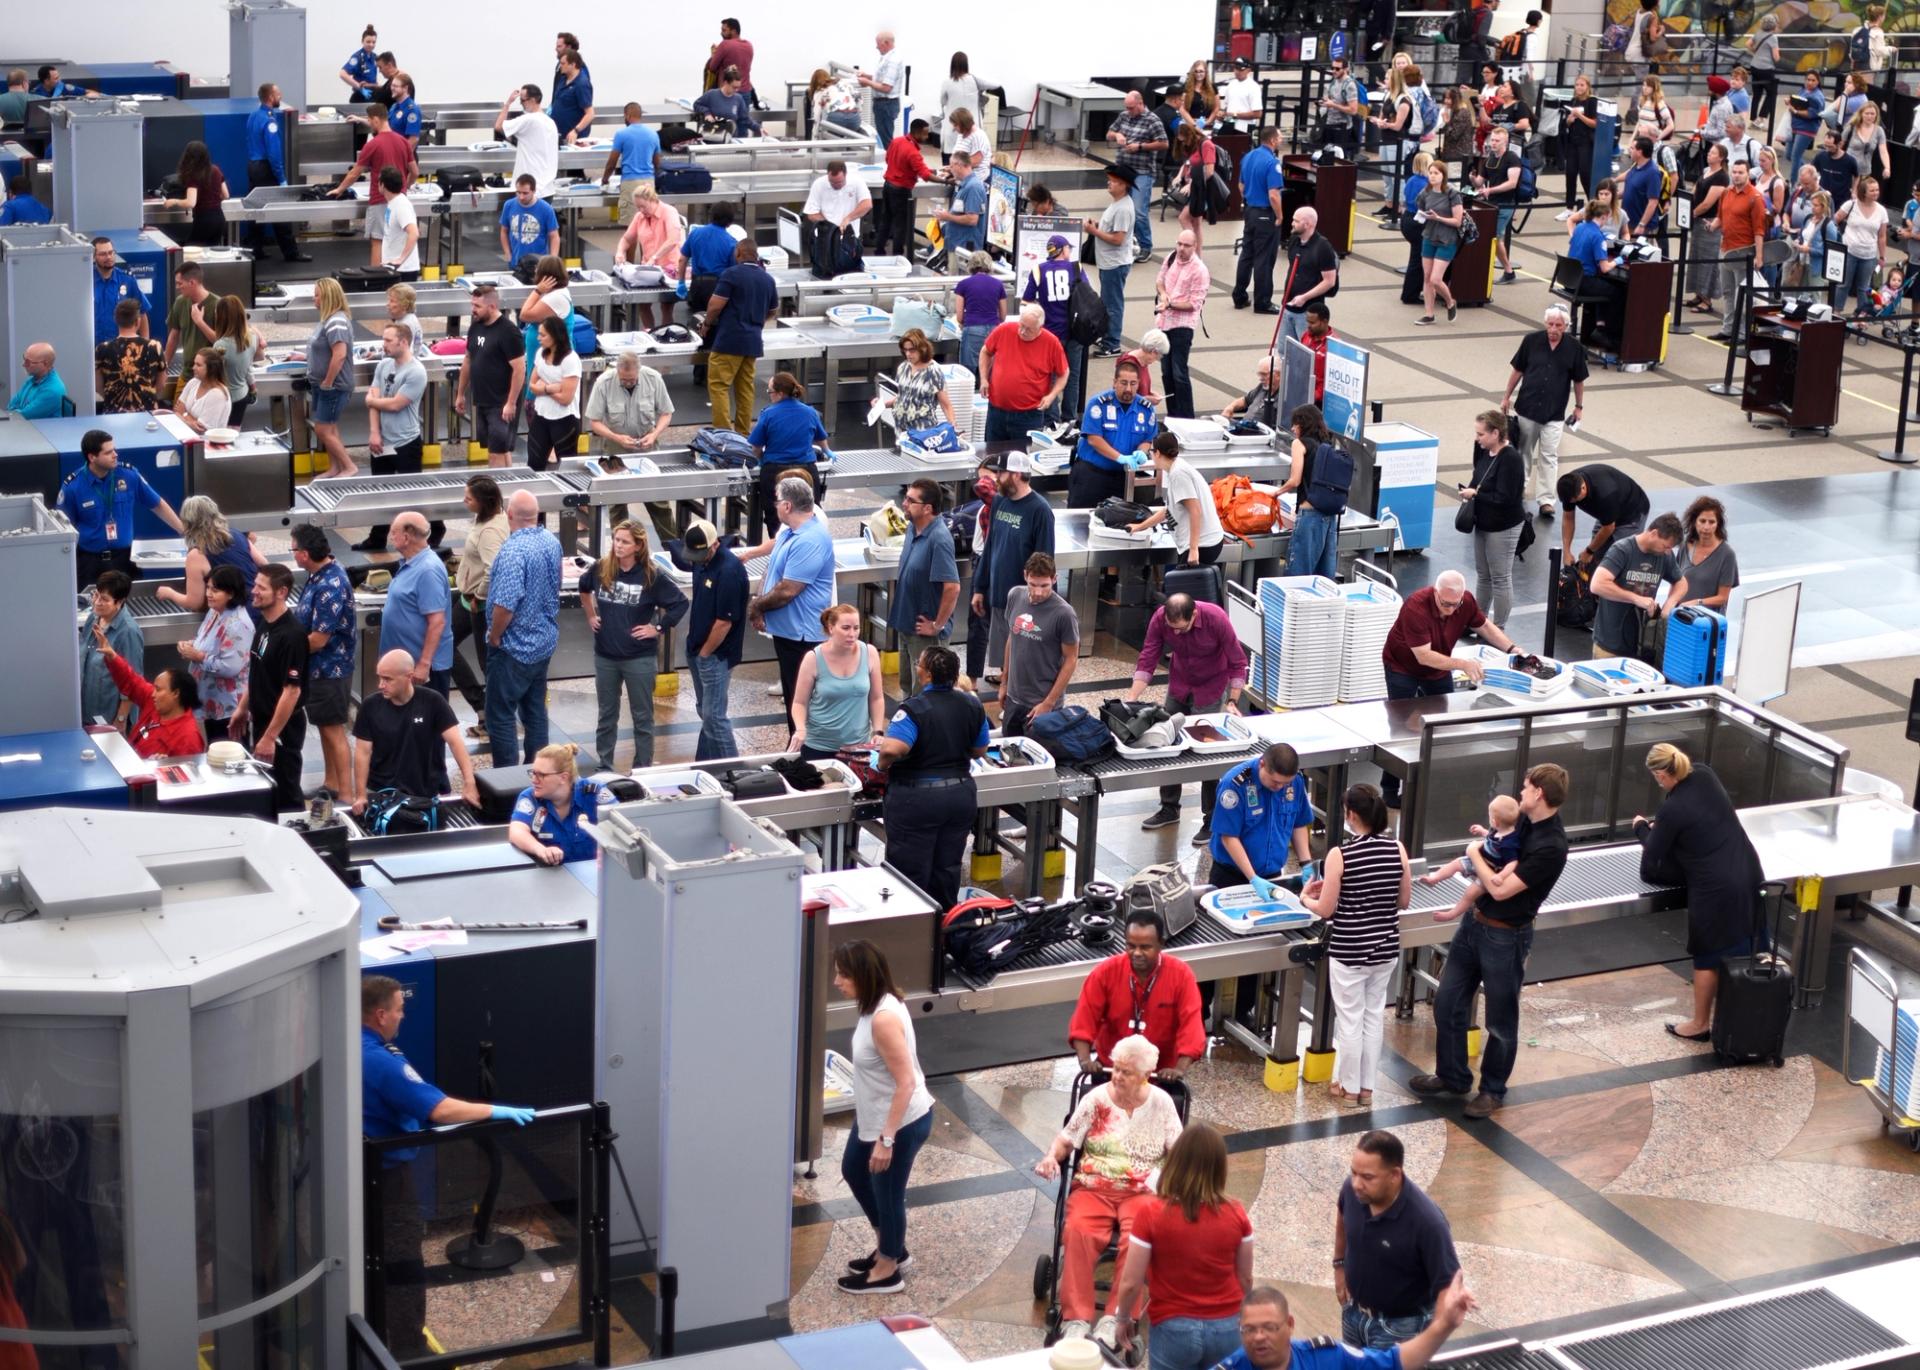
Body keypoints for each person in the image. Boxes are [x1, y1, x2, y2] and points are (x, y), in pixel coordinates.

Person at [361, 974, 536, 1358]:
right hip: (386, 1180)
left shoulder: (349, 1045)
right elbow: (439, 1110)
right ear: (380, 1015)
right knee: (402, 1262)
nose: (402, 1017)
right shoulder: (378, 1060)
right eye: (399, 1009)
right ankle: (409, 1351)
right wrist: (497, 1111)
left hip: (356, 1176)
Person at [1409, 763, 1570, 1119]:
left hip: (1506, 935)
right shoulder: (1523, 820)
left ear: (1539, 793)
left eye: (1526, 787)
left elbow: (1501, 889)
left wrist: (1472, 854)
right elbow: (1496, 843)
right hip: (1474, 924)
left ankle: (1493, 1089)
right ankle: (1452, 1076)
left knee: (1500, 1020)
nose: (1521, 793)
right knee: (1447, 1001)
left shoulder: (1551, 845)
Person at [1035, 1034, 1185, 1346]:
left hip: (1142, 1191)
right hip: (1094, 1186)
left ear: (1145, 1075)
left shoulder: (1162, 1104)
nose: (1116, 1076)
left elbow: (1181, 1153)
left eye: (1126, 1072)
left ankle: (1116, 1318)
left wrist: (1171, 1180)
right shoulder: (1096, 1099)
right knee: (1077, 1230)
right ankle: (1076, 1319)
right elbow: (1066, 1139)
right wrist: (1051, 1157)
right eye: (1115, 1068)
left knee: (1138, 1241)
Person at [1635, 744, 1767, 1041]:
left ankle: (1699, 1024)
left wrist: (1642, 828)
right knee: (1750, 941)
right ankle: (1744, 1019)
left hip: (1714, 888)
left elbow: (1653, 854)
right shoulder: (1705, 774)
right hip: (1747, 871)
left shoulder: (1673, 808)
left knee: (1708, 954)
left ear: (1660, 773)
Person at [831, 937, 934, 1297]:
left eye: (843, 975)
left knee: (887, 1192)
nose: (837, 982)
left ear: (863, 975)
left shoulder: (884, 1018)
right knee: (853, 1170)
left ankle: (888, 1267)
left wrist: (886, 1139)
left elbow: (906, 1082)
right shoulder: (875, 1004)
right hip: (875, 1114)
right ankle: (889, 1242)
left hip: (899, 1122)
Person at [1107, 1121, 1252, 1368]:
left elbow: (1131, 1282)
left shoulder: (1150, 1213)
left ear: (1176, 1162)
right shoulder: (1237, 1213)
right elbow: (1245, 1278)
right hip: (1226, 1326)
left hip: (1173, 1326)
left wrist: (1122, 1319)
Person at [1301, 789, 1411, 1106]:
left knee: (1350, 1020)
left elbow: (1325, 909)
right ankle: (1366, 1089)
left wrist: (1306, 897)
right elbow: (1403, 900)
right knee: (1373, 1017)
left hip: (1350, 950)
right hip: (1386, 947)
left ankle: (1348, 1088)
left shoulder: (1341, 855)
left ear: (1350, 814)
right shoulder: (1397, 849)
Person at [1377, 572, 1516, 807]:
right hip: (1402, 666)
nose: (1451, 609)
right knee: (1401, 727)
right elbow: (1423, 656)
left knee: (1443, 722)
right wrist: (1462, 664)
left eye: (1456, 604)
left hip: (1438, 668)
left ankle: (1435, 780)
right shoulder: (1416, 607)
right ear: (1435, 593)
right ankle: (1390, 788)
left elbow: (1483, 626)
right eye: (1445, 604)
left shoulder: (1466, 602)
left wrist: (1512, 648)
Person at [875, 644, 988, 910]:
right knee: (947, 870)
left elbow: (894, 748)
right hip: (960, 797)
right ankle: (943, 935)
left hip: (918, 802)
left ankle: (913, 936)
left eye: (918, 666)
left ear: (925, 674)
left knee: (909, 875)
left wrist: (881, 762)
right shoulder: (972, 704)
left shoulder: (914, 709)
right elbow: (979, 749)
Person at [1131, 595, 1248, 839]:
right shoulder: (1161, 618)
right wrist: (1131, 698)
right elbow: (1149, 656)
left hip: (1211, 688)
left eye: (1181, 628)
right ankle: (1169, 808)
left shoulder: (1216, 619)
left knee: (1207, 754)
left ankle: (1212, 819)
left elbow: (1238, 662)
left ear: (1193, 615)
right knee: (1168, 744)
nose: (1178, 633)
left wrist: (1233, 701)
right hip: (1180, 684)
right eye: (1173, 629)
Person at [1332, 1130, 1462, 1350]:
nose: (1356, 1183)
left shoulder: (1428, 1223)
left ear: (1395, 1175)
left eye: (1367, 1177)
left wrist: (1432, 1338)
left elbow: (1448, 1285)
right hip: (1354, 1313)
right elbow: (1343, 1218)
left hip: (1400, 1329)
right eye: (1354, 1173)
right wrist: (1339, 1266)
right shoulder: (1353, 1190)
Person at [581, 521, 687, 768]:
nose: (618, 545)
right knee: (606, 716)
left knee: (642, 717)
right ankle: (605, 766)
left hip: (639, 658)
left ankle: (642, 768)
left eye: (625, 541)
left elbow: (680, 603)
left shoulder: (651, 576)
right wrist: (590, 614)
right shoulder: (601, 568)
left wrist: (657, 628)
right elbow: (584, 588)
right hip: (605, 656)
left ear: (638, 546)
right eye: (616, 539)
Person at [1069, 904, 1205, 1080]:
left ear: (1160, 945)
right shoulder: (1105, 972)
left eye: (1145, 947)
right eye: (1131, 946)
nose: (1137, 953)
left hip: (1160, 1074)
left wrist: (1179, 1069)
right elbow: (1084, 1020)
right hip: (1111, 1069)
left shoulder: (1181, 975)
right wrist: (1085, 1060)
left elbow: (1192, 1026)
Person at [749, 474, 838, 732]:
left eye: (777, 501)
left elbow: (787, 590)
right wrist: (759, 601)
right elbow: (772, 570)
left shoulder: (810, 539)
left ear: (787, 506)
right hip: (787, 632)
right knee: (792, 699)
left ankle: (809, 756)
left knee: (804, 703)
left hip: (803, 637)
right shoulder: (790, 531)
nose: (775, 505)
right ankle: (797, 751)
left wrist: (756, 606)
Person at [486, 491, 564, 767]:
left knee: (501, 715)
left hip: (513, 648)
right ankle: (539, 771)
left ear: (509, 515)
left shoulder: (512, 551)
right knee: (535, 712)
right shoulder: (551, 542)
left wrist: (494, 635)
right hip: (543, 643)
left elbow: (505, 605)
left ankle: (506, 782)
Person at [351, 649, 480, 814]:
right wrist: (361, 795)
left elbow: (455, 743)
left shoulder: (433, 701)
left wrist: (469, 782)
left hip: (425, 792)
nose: (380, 685)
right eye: (380, 677)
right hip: (382, 793)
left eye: (387, 679)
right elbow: (362, 752)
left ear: (409, 677)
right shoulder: (370, 706)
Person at [57, 429, 185, 588]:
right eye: (108, 452)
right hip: (90, 563)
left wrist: (184, 531)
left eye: (114, 450)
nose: (115, 455)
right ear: (92, 457)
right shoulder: (73, 487)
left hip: (124, 560)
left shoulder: (128, 475)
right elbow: (63, 529)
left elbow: (157, 504)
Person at [973, 453, 1055, 687]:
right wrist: (980, 587)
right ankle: (1007, 687)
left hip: (1025, 601)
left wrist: (1039, 600)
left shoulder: (1040, 510)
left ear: (1017, 474)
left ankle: (1016, 701)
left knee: (1024, 658)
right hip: (999, 596)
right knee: (1004, 655)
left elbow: (1045, 561)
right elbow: (990, 547)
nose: (996, 478)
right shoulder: (1000, 501)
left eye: (1001, 473)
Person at [287, 524, 356, 794]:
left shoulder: (331, 583)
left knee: (333, 729)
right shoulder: (318, 574)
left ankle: (347, 793)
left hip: (330, 669)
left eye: (293, 549)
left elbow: (318, 639)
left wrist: (287, 651)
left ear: (304, 554)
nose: (292, 555)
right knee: (325, 727)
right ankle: (331, 783)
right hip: (318, 669)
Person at [1501, 306, 1587, 520]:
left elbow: (1579, 379)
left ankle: (1546, 501)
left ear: (1566, 326)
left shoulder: (1574, 348)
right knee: (1523, 452)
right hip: (1527, 408)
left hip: (1554, 413)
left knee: (1549, 456)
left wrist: (1579, 406)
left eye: (1558, 325)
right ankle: (1518, 490)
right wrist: (1506, 396)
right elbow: (1518, 370)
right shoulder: (1531, 341)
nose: (1553, 329)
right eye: (1550, 324)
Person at [235, 564, 309, 810]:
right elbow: (257, 671)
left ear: (281, 592)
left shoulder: (292, 635)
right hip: (263, 719)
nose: (254, 591)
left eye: (261, 587)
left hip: (282, 728)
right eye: (255, 585)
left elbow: (292, 690)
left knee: (286, 791)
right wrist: (242, 708)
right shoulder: (265, 623)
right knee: (267, 786)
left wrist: (270, 737)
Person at [887, 479, 961, 697]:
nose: (904, 503)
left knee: (925, 693)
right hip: (906, 624)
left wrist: (937, 625)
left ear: (927, 508)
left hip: (925, 633)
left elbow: (952, 587)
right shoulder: (913, 528)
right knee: (907, 686)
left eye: (911, 500)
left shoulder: (939, 539)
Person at [684, 518, 750, 760]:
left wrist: (705, 654)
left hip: (716, 654)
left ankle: (736, 772)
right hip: (697, 647)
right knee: (706, 711)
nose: (694, 559)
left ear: (714, 545)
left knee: (715, 716)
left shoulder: (729, 570)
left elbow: (724, 622)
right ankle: (705, 763)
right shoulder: (700, 561)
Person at [92, 618, 203, 759]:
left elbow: (186, 777)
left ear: (176, 693)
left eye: (158, 689)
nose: (153, 693)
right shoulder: (154, 703)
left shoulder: (188, 737)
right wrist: (112, 656)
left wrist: (160, 769)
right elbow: (132, 681)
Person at [703, 238, 780, 435]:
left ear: (738, 253)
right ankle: (744, 434)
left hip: (729, 340)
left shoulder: (731, 274)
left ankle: (723, 435)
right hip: (752, 342)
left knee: (719, 386)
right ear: (756, 256)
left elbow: (715, 305)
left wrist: (707, 324)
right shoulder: (767, 279)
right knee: (745, 389)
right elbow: (772, 310)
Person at [323, 104, 417, 266]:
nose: (369, 123)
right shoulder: (403, 142)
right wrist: (405, 188)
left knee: (377, 241)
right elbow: (415, 171)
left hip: (379, 199)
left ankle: (377, 279)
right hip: (400, 199)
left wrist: (339, 189)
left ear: (376, 119)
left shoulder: (373, 144)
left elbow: (355, 173)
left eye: (369, 120)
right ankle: (393, 276)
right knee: (396, 239)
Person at [999, 552, 1079, 736]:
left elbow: (1071, 659)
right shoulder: (1014, 596)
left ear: (1055, 579)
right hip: (1014, 698)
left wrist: (1049, 703)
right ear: (1025, 575)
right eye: (1033, 584)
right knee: (1008, 753)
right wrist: (1004, 683)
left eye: (1045, 586)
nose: (1038, 592)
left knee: (1038, 759)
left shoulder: (1064, 614)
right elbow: (1012, 639)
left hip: (1042, 703)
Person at [1460, 410, 1527, 629]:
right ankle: (1478, 621)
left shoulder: (1511, 459)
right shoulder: (1483, 452)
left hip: (1503, 525)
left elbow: (1505, 498)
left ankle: (1498, 627)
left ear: (1495, 433)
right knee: (1484, 575)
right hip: (1484, 521)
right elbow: (1477, 477)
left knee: (1500, 577)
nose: (1477, 438)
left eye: (1481, 434)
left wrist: (1475, 494)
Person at [376, 511, 453, 700]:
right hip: (404, 667)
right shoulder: (411, 563)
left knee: (427, 725)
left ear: (406, 536)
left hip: (422, 672)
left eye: (393, 532)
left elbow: (437, 622)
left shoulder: (428, 570)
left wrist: (424, 664)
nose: (390, 537)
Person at [792, 604, 885, 759]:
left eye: (856, 628)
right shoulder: (813, 658)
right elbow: (799, 702)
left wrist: (878, 731)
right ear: (831, 628)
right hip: (819, 744)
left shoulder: (869, 653)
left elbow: (876, 698)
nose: (852, 634)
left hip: (858, 745)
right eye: (846, 628)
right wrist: (800, 729)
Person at [1591, 512, 1683, 659]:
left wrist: (1669, 605)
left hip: (1641, 645)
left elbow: (1681, 583)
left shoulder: (1665, 556)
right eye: (1665, 546)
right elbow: (1597, 584)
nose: (1667, 552)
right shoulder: (1622, 550)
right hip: (1610, 644)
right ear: (1654, 534)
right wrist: (1635, 598)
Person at [178, 564, 254, 740]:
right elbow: (204, 641)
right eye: (209, 588)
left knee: (230, 754)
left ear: (231, 593)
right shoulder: (215, 612)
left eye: (216, 590)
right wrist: (189, 646)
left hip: (229, 708)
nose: (209, 594)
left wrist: (198, 656)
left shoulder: (238, 625)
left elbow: (230, 667)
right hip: (211, 702)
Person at [454, 284, 525, 469]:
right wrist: (461, 393)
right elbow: (468, 360)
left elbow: (519, 369)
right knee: (499, 450)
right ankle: (508, 487)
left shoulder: (508, 331)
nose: (473, 310)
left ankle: (494, 493)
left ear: (492, 307)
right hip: (482, 400)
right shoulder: (475, 327)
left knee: (495, 456)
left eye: (477, 306)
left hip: (500, 402)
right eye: (472, 305)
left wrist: (511, 402)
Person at [1071, 357, 1157, 509]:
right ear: (1115, 382)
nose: (1128, 389)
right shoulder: (1098, 404)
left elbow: (1147, 439)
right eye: (1123, 383)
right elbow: (1094, 439)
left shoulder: (1146, 409)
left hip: (1124, 477)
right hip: (1093, 474)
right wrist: (1120, 457)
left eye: (1133, 384)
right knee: (1082, 520)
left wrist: (1141, 452)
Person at [1130, 431, 1224, 567]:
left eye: (1150, 451)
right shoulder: (1174, 468)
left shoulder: (1179, 474)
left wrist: (1193, 549)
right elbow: (1169, 511)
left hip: (1203, 544)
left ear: (1157, 453)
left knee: (1181, 586)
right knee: (1181, 586)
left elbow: (1195, 510)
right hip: (1202, 543)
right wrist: (1140, 527)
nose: (1150, 455)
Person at [156, 494, 257, 615]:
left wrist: (169, 593)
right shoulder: (236, 535)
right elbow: (263, 563)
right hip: (259, 604)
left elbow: (194, 603)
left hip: (238, 616)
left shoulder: (197, 554)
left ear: (188, 524)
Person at [980, 304, 1068, 441]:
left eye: (1029, 329)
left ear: (1040, 328)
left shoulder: (1051, 343)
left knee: (1024, 456)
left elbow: (1064, 373)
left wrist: (1052, 395)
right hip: (997, 411)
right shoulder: (1004, 330)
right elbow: (986, 351)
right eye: (1021, 325)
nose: (1022, 331)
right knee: (993, 455)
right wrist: (984, 378)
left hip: (1029, 415)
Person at [1278, 403, 1343, 580]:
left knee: (1298, 572)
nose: (1292, 428)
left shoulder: (1299, 444)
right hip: (1329, 514)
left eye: (1295, 424)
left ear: (1303, 424)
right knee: (1324, 576)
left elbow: (1295, 480)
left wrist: (1276, 493)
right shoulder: (1327, 443)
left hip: (1309, 513)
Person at [1152, 231, 1210, 419]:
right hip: (1163, 323)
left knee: (1179, 373)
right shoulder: (1171, 257)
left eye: (1186, 245)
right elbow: (1159, 281)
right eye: (1179, 244)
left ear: (1195, 247)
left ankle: (1186, 417)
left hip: (1182, 327)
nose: (1181, 249)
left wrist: (1170, 304)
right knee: (1166, 373)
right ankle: (1173, 415)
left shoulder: (1199, 271)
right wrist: (1163, 294)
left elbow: (1194, 304)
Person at [306, 278, 359, 478]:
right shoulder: (326, 320)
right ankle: (335, 467)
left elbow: (339, 354)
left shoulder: (336, 321)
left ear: (328, 296)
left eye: (317, 295)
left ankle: (349, 467)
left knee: (322, 429)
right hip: (322, 385)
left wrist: (328, 381)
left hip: (333, 386)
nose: (314, 298)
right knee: (330, 426)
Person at [613, 184, 685, 329]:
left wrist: (655, 256)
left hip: (669, 267)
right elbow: (627, 239)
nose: (641, 210)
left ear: (653, 200)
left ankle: (665, 334)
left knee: (666, 306)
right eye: (638, 207)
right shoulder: (639, 217)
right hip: (648, 268)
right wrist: (620, 252)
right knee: (643, 304)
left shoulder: (669, 212)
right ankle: (650, 331)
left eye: (643, 206)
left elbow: (673, 239)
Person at [80, 571, 144, 732]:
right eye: (96, 596)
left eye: (105, 599)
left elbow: (133, 680)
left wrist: (121, 719)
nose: (97, 603)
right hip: (88, 711)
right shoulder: (93, 618)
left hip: (112, 716)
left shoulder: (128, 632)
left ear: (119, 602)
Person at [1557, 463, 1651, 570]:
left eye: (1576, 500)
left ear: (1583, 488)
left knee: (1621, 555)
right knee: (1596, 556)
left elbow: (1608, 528)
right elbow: (1568, 518)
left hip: (1632, 513)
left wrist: (1588, 551)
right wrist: (1567, 551)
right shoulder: (1569, 487)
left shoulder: (1605, 493)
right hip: (1607, 512)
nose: (1573, 503)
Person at [1086, 166, 1139, 354]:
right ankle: (1107, 336)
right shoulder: (1117, 204)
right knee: (1107, 302)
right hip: (1108, 262)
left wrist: (1094, 232)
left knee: (1113, 304)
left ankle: (1113, 343)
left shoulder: (1124, 208)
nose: (1109, 183)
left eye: (1113, 180)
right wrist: (1100, 226)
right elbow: (1112, 229)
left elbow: (1118, 239)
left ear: (1123, 185)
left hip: (1115, 264)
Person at [1235, 125, 1286, 313]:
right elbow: (1274, 194)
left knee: (1247, 254)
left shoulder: (1248, 157)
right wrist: (1280, 216)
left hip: (1250, 211)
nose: (1281, 140)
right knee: (1264, 259)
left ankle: (1239, 296)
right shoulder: (1272, 163)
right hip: (1265, 213)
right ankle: (1262, 302)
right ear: (1272, 140)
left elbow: (1241, 185)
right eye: (1279, 137)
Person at [526, 315, 582, 473]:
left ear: (555, 336)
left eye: (543, 335)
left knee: (568, 468)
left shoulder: (570, 359)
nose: (538, 338)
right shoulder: (541, 353)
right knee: (534, 463)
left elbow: (566, 399)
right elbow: (532, 385)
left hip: (564, 419)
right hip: (542, 415)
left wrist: (545, 389)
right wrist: (555, 387)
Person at [1668, 495, 1739, 615]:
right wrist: (1669, 605)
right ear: (1694, 522)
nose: (1706, 527)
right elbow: (1675, 582)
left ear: (1718, 524)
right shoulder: (1685, 546)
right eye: (1702, 521)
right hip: (1681, 617)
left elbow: (1723, 597)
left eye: (1711, 522)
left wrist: (1697, 602)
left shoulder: (1727, 555)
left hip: (1706, 622)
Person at [878, 118, 938, 257]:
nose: (927, 137)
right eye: (925, 134)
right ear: (917, 133)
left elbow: (889, 159)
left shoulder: (897, 141)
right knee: (901, 225)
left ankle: (879, 250)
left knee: (885, 220)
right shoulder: (913, 152)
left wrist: (930, 171)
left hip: (887, 186)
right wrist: (947, 182)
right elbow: (925, 176)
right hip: (901, 190)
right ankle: (898, 254)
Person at [1279, 206, 1340, 342]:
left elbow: (1329, 281)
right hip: (1288, 305)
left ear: (1307, 224)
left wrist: (1304, 297)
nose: (1292, 223)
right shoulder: (1294, 240)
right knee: (1284, 351)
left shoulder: (1323, 247)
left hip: (1307, 313)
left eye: (1296, 221)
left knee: (1306, 351)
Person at [1473, 125, 1524, 285]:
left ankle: (1505, 271)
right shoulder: (1490, 158)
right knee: (1494, 236)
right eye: (1492, 140)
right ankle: (1508, 271)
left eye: (1497, 141)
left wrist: (1491, 190)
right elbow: (1480, 182)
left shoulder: (1512, 158)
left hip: (1505, 203)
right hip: (1491, 202)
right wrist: (1473, 179)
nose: (1493, 143)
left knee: (1493, 236)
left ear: (1505, 142)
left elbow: (1512, 183)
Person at [1833, 174, 1889, 316]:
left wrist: (1882, 256)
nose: (1876, 193)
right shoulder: (1851, 204)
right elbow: (1835, 219)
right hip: (1849, 251)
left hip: (1869, 255)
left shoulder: (1882, 211)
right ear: (1863, 192)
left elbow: (1882, 236)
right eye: (1872, 190)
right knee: (1843, 284)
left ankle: (1861, 316)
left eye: (1877, 190)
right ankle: (1837, 312)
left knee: (1864, 288)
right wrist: (1837, 240)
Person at [95, 299, 163, 414]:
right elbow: (161, 383)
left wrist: (112, 397)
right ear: (138, 322)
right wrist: (148, 395)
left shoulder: (102, 349)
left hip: (113, 414)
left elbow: (98, 386)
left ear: (116, 320)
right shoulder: (154, 347)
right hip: (148, 414)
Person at [600, 102, 663, 226]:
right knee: (648, 225)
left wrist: (605, 180)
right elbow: (657, 162)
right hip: (648, 183)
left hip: (630, 184)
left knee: (631, 228)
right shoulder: (653, 134)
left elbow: (611, 163)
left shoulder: (621, 134)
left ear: (627, 116)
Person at [160, 140, 227, 247]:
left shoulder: (194, 175)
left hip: (204, 220)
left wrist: (173, 201)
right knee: (209, 254)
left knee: (190, 252)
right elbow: (225, 195)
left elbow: (191, 203)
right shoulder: (216, 169)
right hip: (219, 219)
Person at [210, 296, 264, 428]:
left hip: (224, 399)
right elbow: (253, 362)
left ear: (222, 318)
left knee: (220, 436)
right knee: (233, 434)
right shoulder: (252, 338)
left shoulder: (220, 345)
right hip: (242, 396)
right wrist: (253, 388)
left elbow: (214, 376)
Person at [494, 84, 558, 195]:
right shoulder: (550, 122)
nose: (521, 104)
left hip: (528, 191)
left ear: (533, 100)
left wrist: (508, 103)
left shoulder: (528, 119)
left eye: (522, 100)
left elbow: (498, 126)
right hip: (547, 189)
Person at [498, 175, 561, 271]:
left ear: (534, 191)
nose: (521, 197)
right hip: (515, 263)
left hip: (539, 265)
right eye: (518, 192)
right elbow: (504, 231)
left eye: (525, 193)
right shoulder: (509, 205)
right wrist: (508, 254)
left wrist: (552, 261)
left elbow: (554, 236)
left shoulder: (546, 209)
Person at [804, 159, 874, 239]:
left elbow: (867, 204)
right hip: (824, 237)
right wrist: (829, 226)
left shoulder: (857, 181)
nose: (836, 185)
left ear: (845, 175)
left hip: (849, 237)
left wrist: (848, 219)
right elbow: (811, 213)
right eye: (832, 182)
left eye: (839, 182)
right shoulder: (819, 184)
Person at [693, 65, 759, 140]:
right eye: (734, 87)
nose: (736, 90)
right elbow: (696, 104)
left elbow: (744, 119)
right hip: (710, 136)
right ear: (725, 83)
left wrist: (758, 128)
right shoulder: (711, 94)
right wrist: (707, 113)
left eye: (738, 87)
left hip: (730, 138)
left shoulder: (738, 98)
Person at [7, 343, 65, 419]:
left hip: (39, 429)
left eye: (28, 362)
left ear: (45, 364)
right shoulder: (33, 379)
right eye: (24, 359)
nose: (23, 364)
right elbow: (11, 406)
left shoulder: (52, 391)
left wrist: (11, 414)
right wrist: (11, 413)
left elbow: (23, 416)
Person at [549, 48, 593, 144]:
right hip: (559, 134)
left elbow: (590, 113)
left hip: (573, 138)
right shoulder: (563, 79)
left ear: (573, 64)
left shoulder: (581, 84)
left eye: (563, 63)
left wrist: (576, 130)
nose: (560, 66)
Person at [707, 17, 756, 97]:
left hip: (728, 93)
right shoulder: (749, 45)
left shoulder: (725, 44)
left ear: (733, 31)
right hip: (746, 92)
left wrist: (714, 54)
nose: (721, 33)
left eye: (724, 30)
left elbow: (712, 67)